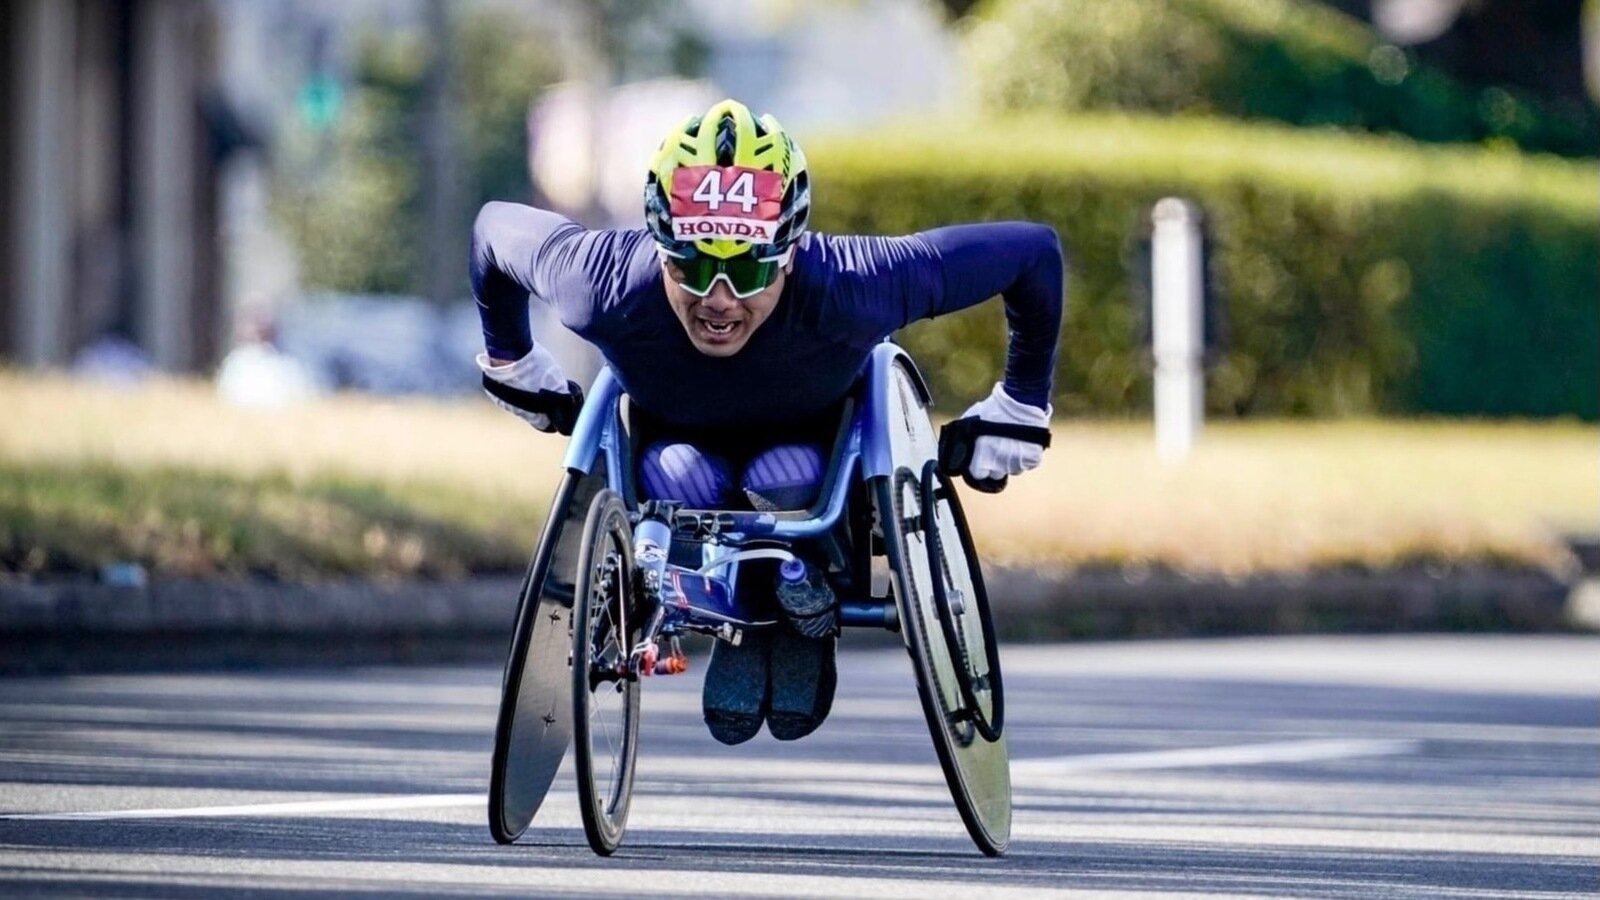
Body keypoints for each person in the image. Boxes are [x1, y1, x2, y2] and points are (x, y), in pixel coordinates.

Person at [471, 98, 1062, 746]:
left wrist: (1020, 406)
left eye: (748, 270)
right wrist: (512, 362)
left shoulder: (853, 282)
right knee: (677, 471)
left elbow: (1034, 254)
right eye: (694, 266)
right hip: (676, 456)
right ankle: (748, 614)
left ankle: (798, 594)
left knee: (781, 473)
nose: (719, 300)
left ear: (789, 253)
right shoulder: (602, 280)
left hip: (811, 460)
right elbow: (493, 229)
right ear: (659, 247)